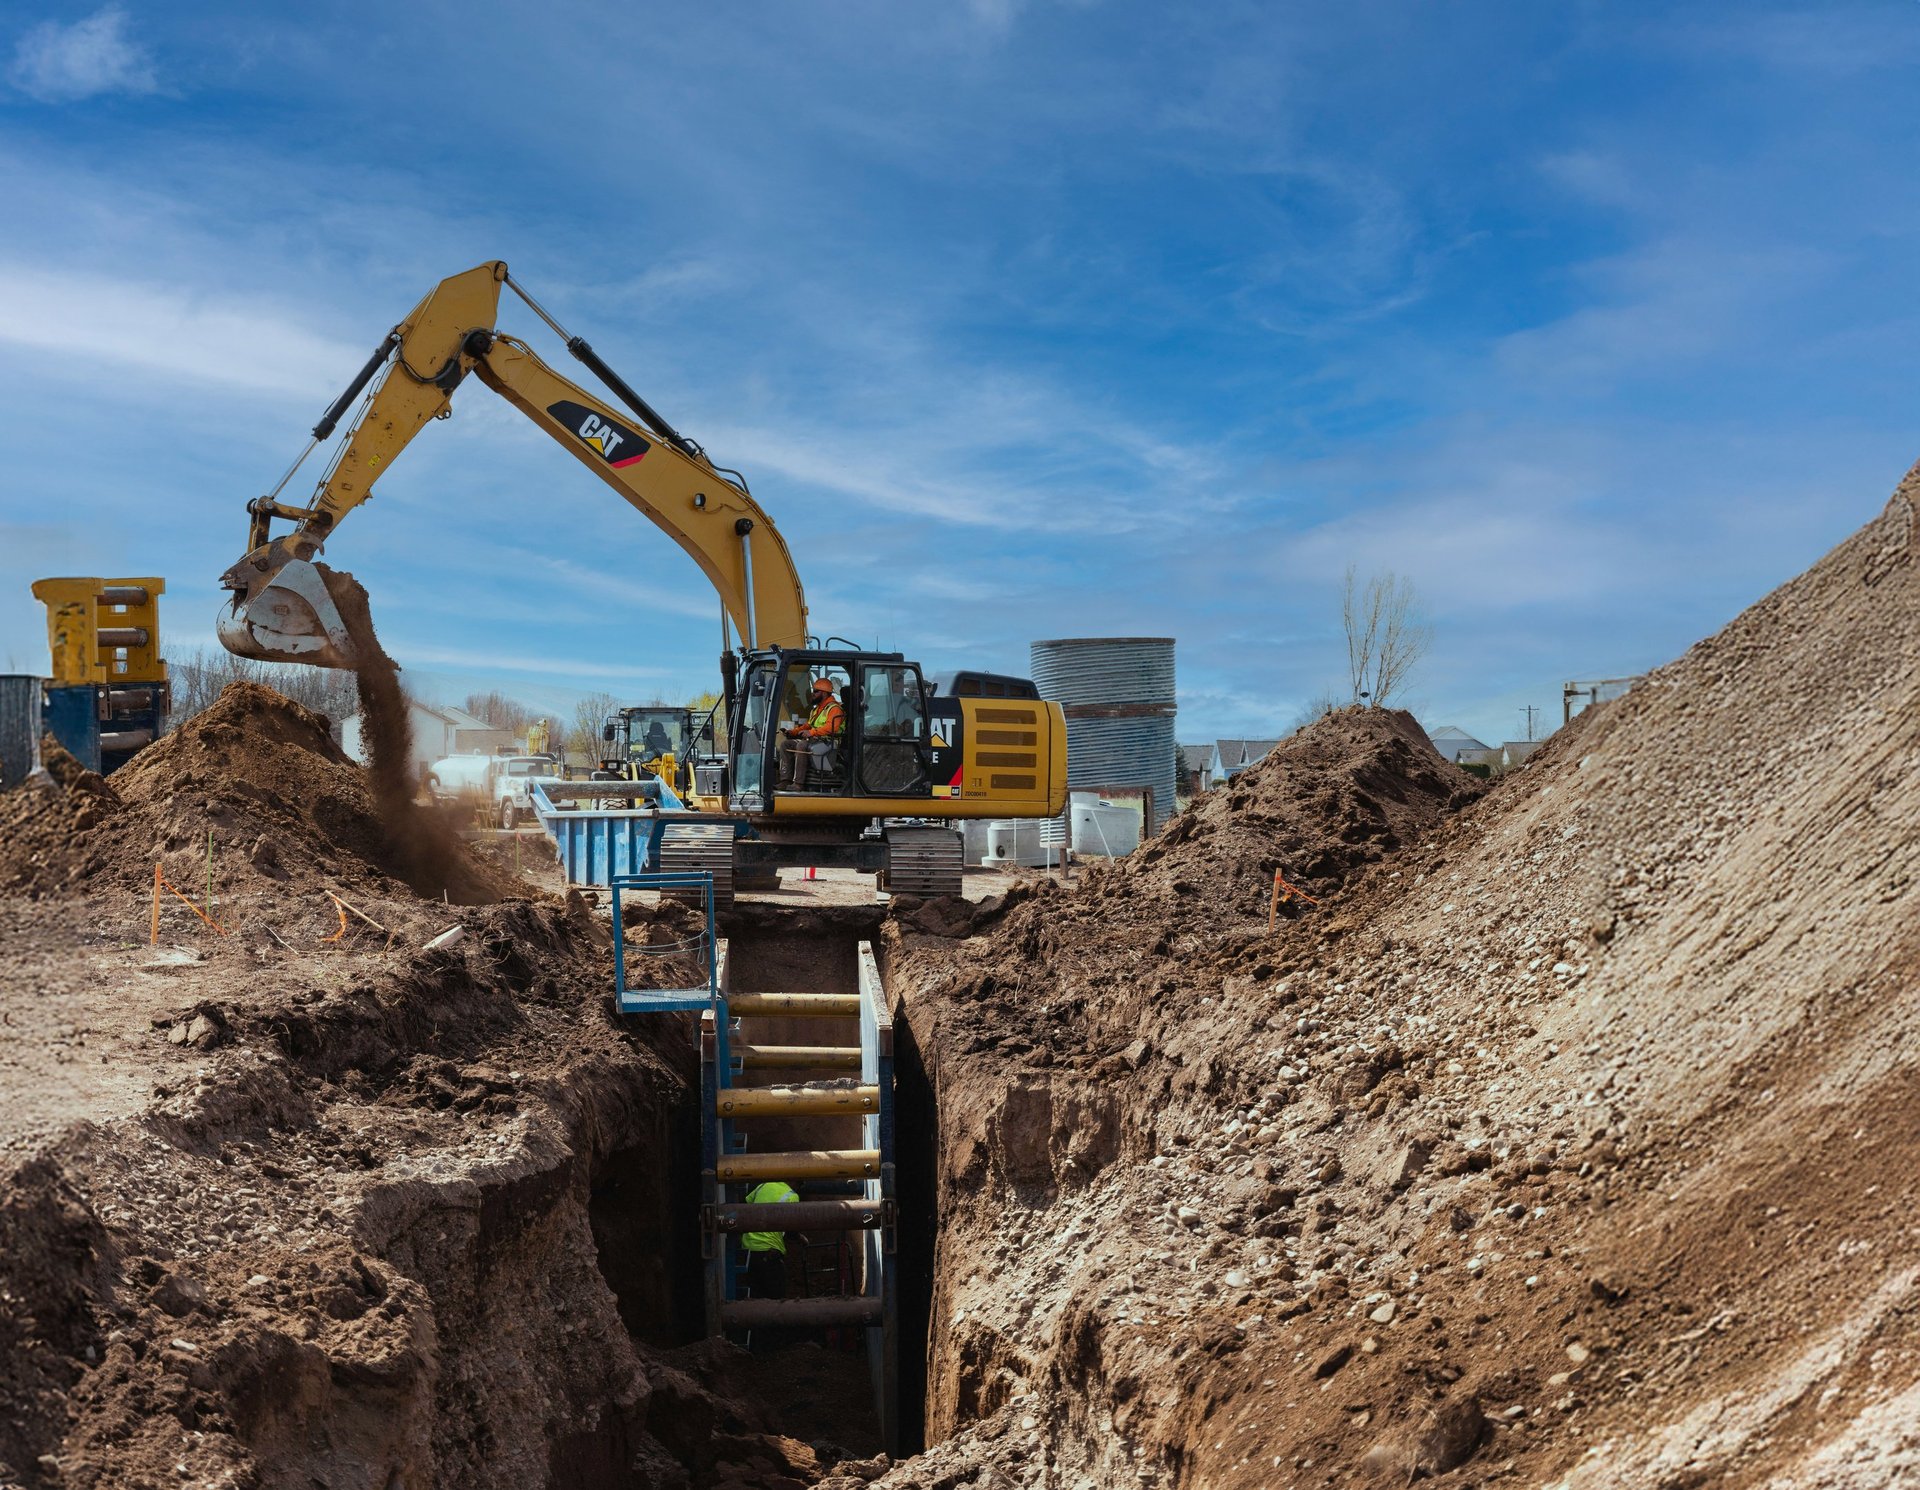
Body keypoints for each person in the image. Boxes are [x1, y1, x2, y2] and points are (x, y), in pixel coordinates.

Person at [778, 676, 845, 789]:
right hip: (815, 740)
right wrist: (792, 732)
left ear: (824, 693)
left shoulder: (834, 709)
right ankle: (785, 780)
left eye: (816, 691)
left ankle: (798, 783)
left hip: (829, 742)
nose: (812, 694)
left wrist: (811, 733)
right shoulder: (817, 709)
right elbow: (807, 725)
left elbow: (831, 727)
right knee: (786, 744)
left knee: (802, 745)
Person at [741, 1178, 799, 1301]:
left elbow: (744, 1206)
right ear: (794, 1181)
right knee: (776, 1299)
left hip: (748, 1250)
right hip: (770, 1251)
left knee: (754, 1297)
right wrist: (800, 1238)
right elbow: (791, 1229)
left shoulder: (763, 1186)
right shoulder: (792, 1196)